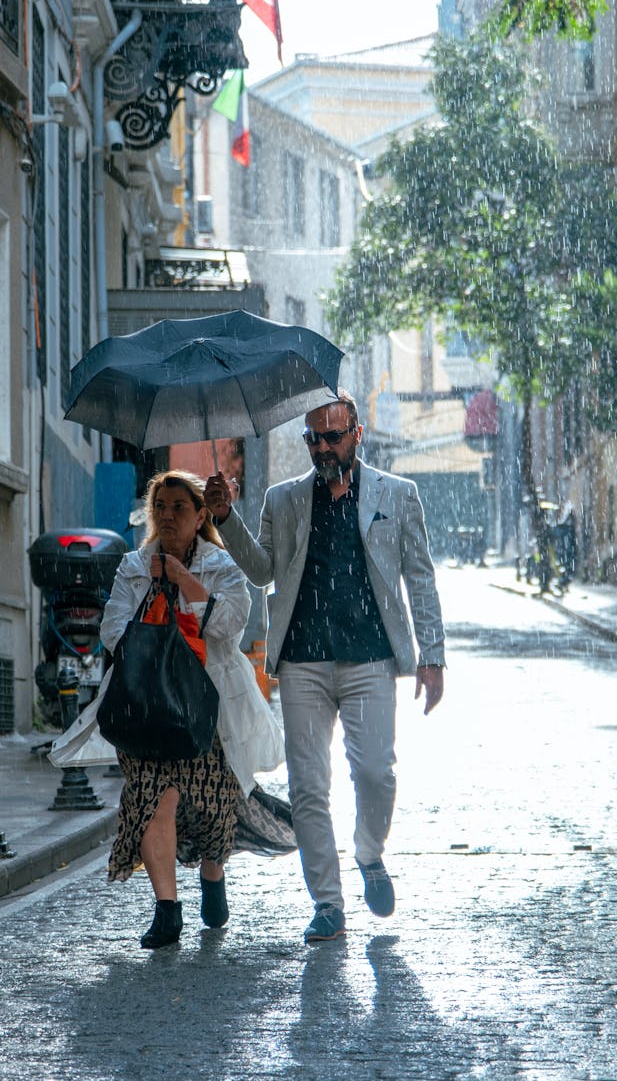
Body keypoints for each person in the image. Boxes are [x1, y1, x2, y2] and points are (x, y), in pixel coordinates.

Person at [204, 391, 445, 943]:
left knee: (376, 773)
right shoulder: (283, 500)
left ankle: (369, 854)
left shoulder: (397, 494)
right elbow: (262, 571)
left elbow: (421, 578)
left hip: (370, 658)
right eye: (312, 437)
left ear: (357, 435)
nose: (321, 447)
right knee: (309, 787)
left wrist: (431, 657)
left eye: (332, 436)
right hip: (303, 662)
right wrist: (225, 517)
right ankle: (328, 903)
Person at [51, 470, 285, 949]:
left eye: (180, 507)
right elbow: (113, 628)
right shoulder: (136, 564)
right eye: (162, 506)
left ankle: (213, 873)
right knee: (156, 801)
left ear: (201, 515)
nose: (169, 515)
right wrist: (154, 621)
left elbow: (232, 624)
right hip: (146, 705)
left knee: (215, 806)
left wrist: (182, 583)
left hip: (206, 706)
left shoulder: (220, 563)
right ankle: (166, 909)